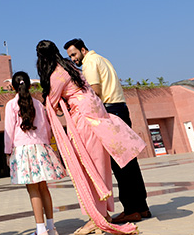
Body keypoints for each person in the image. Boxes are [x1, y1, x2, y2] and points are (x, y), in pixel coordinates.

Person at [36, 40, 146, 235]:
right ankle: (113, 212)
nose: (73, 58)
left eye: (74, 54)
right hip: (98, 114)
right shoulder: (71, 69)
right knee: (102, 166)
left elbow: (50, 103)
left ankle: (97, 217)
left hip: (84, 119)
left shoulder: (57, 74)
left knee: (89, 168)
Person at [64, 39, 151, 223]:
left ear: (83, 49)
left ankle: (131, 209)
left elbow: (95, 91)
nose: (73, 59)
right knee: (129, 161)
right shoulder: (103, 59)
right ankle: (142, 207)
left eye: (74, 54)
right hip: (120, 108)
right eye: (70, 56)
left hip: (110, 111)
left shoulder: (89, 63)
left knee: (119, 164)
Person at [4, 71, 66, 235]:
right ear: (30, 86)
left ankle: (40, 229)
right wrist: (46, 145)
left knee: (33, 190)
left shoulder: (11, 105)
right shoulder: (38, 103)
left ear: (13, 87)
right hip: (41, 148)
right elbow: (47, 128)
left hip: (23, 151)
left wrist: (7, 152)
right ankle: (51, 228)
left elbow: (8, 131)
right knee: (44, 188)